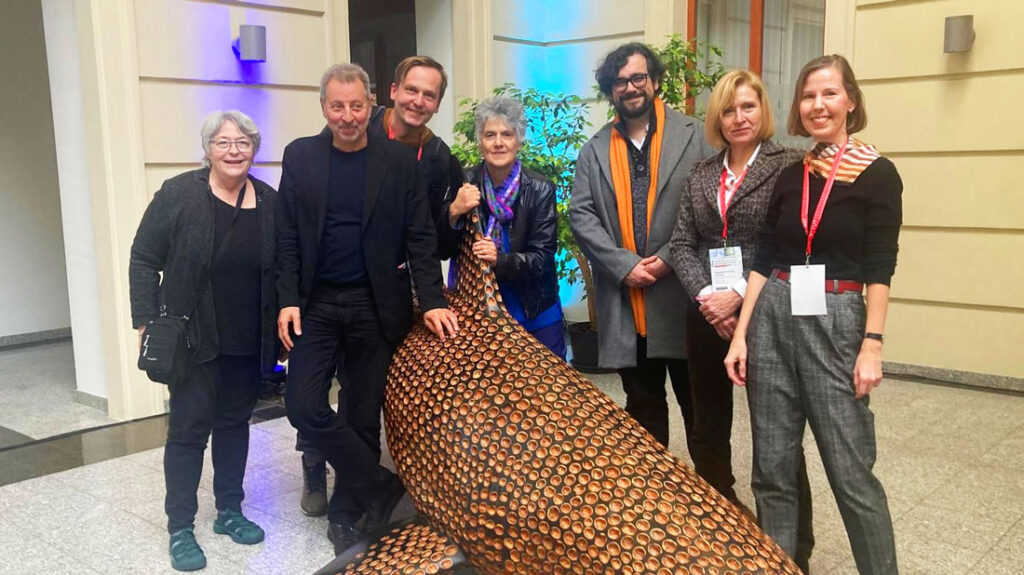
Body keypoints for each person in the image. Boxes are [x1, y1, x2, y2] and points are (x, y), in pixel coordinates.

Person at [724, 54, 902, 575]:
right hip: (773, 316)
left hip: (836, 318)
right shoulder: (791, 174)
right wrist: (741, 335)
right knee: (772, 469)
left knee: (851, 472)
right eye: (808, 96)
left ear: (851, 101)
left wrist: (872, 343)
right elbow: (764, 258)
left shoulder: (878, 174)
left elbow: (881, 266)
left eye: (829, 93)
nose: (817, 105)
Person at [276, 63, 459, 556]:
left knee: (361, 413)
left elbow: (420, 237)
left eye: (356, 105)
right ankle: (379, 483)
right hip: (315, 303)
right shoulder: (300, 156)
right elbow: (286, 236)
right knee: (302, 404)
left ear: (371, 103)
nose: (348, 116)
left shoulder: (399, 161)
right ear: (324, 107)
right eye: (337, 106)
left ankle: (345, 515)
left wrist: (433, 301)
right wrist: (287, 299)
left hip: (375, 304)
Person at [669, 69, 815, 569]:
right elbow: (683, 243)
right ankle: (722, 523)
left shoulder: (790, 165)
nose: (738, 118)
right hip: (706, 315)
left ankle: (796, 548)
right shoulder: (701, 173)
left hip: (765, 314)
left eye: (748, 106)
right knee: (706, 427)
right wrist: (708, 297)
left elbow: (793, 242)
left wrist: (736, 295)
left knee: (777, 433)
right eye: (729, 110)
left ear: (763, 110)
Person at [129, 110, 277, 571]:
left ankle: (229, 511)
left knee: (234, 424)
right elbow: (143, 258)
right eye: (223, 143)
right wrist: (145, 320)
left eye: (243, 143)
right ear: (208, 149)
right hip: (193, 338)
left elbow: (282, 266)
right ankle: (180, 528)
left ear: (254, 150)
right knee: (189, 432)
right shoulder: (179, 194)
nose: (234, 151)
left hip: (248, 338)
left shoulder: (270, 201)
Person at [569, 42, 714, 451]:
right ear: (610, 91)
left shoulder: (696, 136)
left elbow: (710, 205)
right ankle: (653, 488)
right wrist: (624, 265)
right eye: (619, 82)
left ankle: (713, 485)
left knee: (701, 409)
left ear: (654, 81)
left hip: (684, 294)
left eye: (638, 77)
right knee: (644, 410)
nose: (630, 87)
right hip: (626, 302)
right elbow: (581, 216)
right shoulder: (594, 149)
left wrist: (668, 258)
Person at [445, 95, 566, 358]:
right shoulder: (464, 183)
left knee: (546, 381)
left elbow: (542, 259)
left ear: (519, 141)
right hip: (480, 313)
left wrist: (499, 260)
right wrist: (453, 212)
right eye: (490, 135)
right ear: (480, 142)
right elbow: (442, 248)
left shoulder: (541, 188)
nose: (498, 142)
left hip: (535, 309)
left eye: (507, 134)